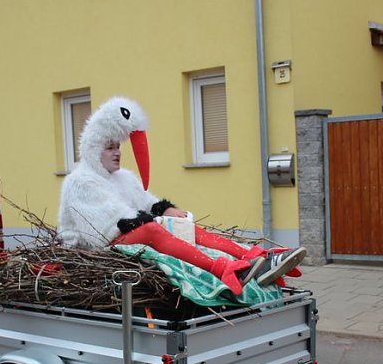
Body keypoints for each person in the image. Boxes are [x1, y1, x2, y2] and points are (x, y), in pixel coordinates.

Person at [57, 96, 305, 296]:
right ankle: (222, 269)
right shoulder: (79, 182)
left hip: (124, 236)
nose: (117, 153)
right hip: (98, 249)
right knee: (153, 230)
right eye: (110, 148)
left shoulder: (123, 178)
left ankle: (254, 256)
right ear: (94, 149)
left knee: (180, 225)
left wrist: (166, 211)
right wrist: (156, 222)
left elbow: (146, 203)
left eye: (118, 147)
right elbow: (104, 228)